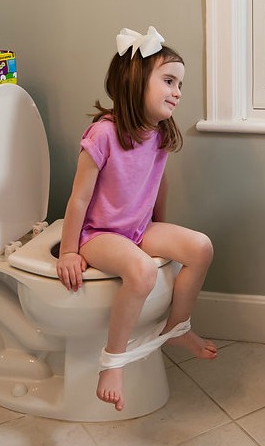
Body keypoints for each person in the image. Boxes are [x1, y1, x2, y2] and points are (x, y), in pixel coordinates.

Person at [56, 26, 217, 412]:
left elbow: (157, 185)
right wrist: (67, 251)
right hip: (98, 235)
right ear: (134, 80)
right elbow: (78, 199)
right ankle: (113, 361)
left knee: (200, 247)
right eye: (168, 81)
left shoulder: (158, 132)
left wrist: (160, 228)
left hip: (137, 230)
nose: (178, 91)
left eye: (180, 83)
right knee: (143, 272)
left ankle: (178, 327)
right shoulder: (103, 134)